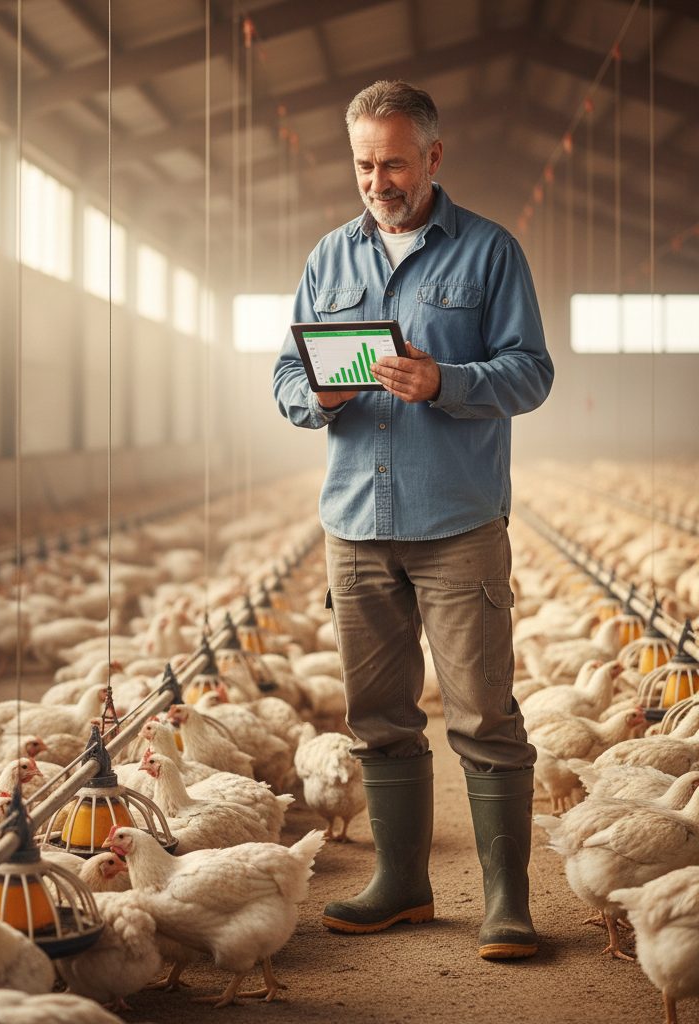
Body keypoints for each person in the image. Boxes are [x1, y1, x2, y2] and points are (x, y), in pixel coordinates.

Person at [272, 80, 554, 961]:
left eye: (394, 160)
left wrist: (449, 381)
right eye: (363, 162)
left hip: (458, 522)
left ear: (433, 156)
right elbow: (285, 378)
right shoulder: (328, 258)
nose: (377, 179)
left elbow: (532, 372)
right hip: (356, 521)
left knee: (482, 716)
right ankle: (402, 883)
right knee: (379, 717)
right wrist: (315, 396)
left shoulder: (490, 252)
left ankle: (508, 899)